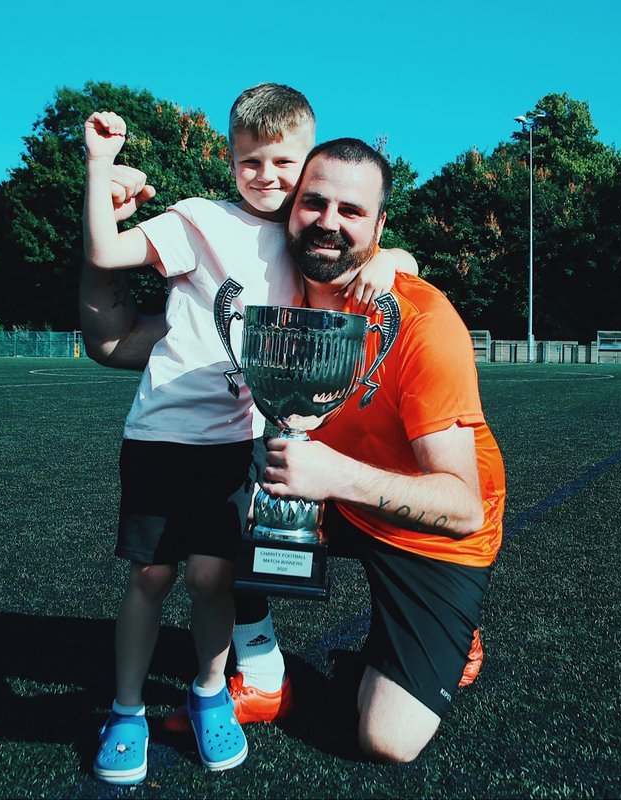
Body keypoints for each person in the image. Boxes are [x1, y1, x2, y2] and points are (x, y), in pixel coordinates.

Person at [84, 138, 505, 764]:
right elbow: (113, 344)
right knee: (229, 487)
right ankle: (261, 672)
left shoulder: (421, 321)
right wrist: (103, 236)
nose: (329, 222)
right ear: (289, 210)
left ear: (379, 226)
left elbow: (464, 507)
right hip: (325, 497)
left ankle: (453, 638)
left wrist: (335, 476)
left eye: (353, 212)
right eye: (314, 203)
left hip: (434, 531)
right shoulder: (274, 302)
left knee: (387, 741)